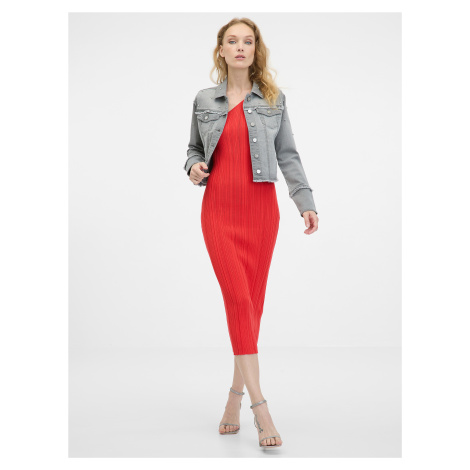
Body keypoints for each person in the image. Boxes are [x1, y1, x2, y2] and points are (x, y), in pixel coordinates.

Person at [184, 17, 319, 450]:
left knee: (252, 308)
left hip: (262, 213)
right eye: (232, 41)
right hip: (219, 212)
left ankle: (234, 397)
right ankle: (261, 408)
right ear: (221, 50)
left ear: (255, 49)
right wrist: (193, 167)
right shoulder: (205, 99)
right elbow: (193, 150)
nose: (240, 47)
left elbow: (288, 155)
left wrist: (305, 201)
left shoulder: (274, 100)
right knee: (239, 301)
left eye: (247, 41)